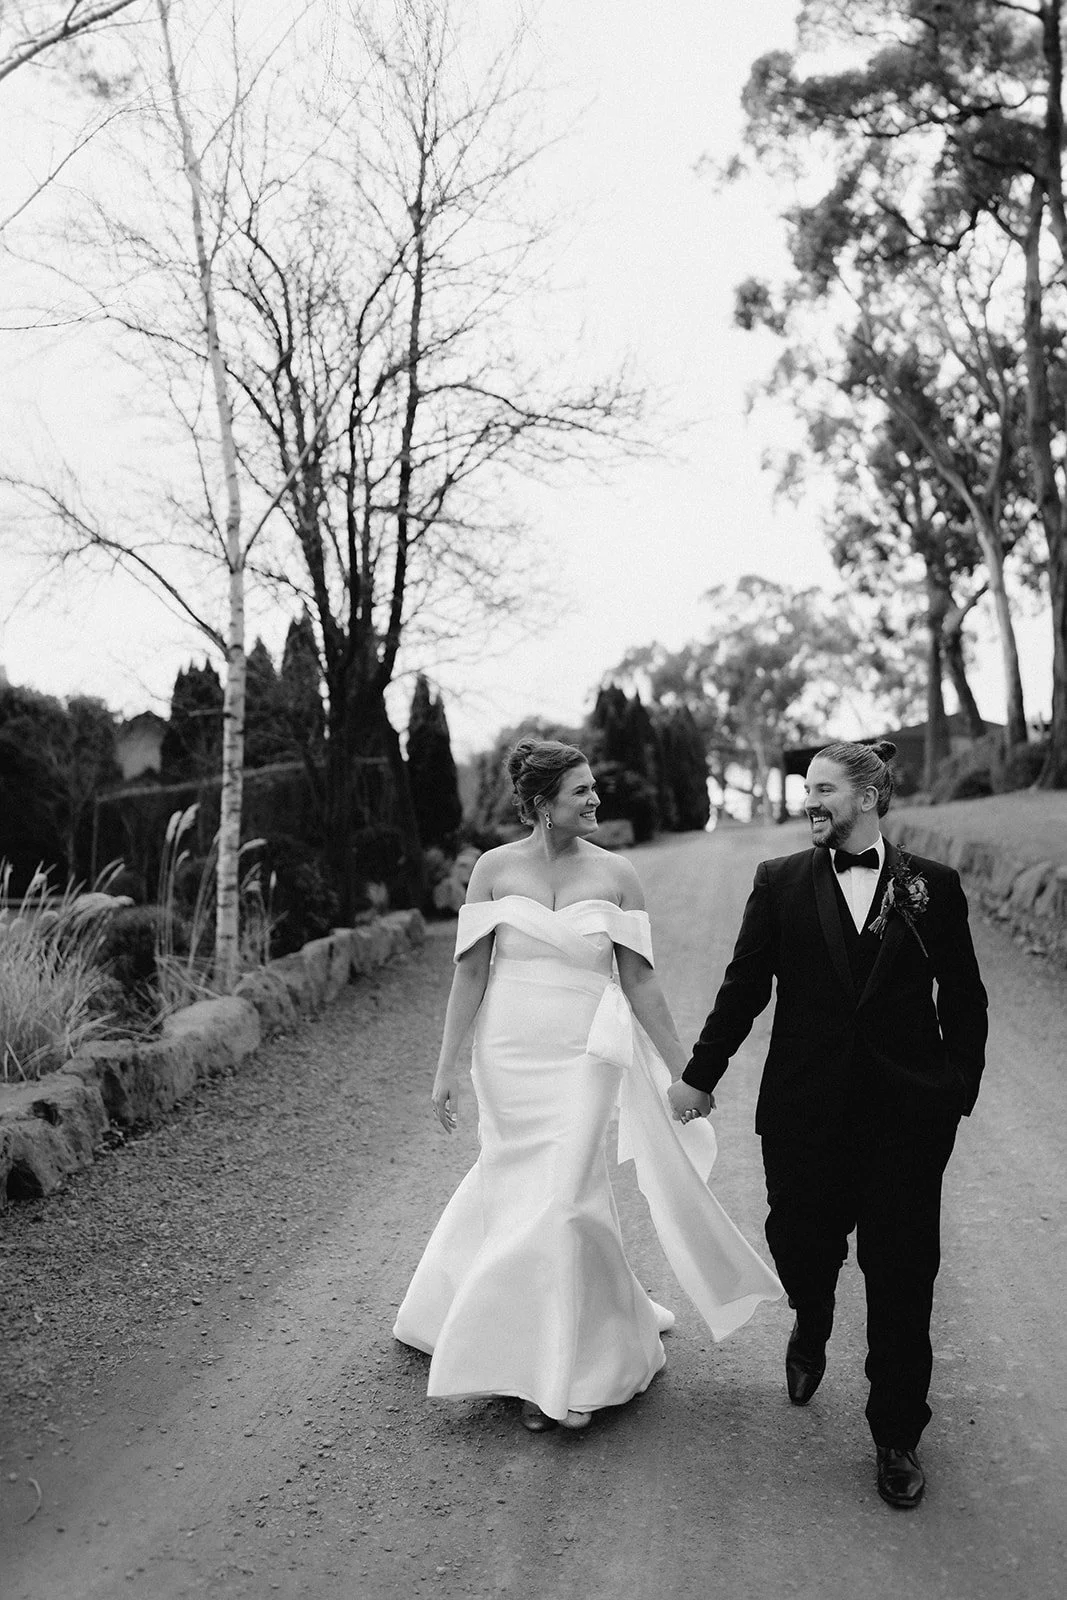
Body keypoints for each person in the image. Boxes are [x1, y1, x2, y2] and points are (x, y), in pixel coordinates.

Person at [394, 737, 781, 1433]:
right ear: (542, 805)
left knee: (565, 1198)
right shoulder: (491, 870)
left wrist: (688, 1070)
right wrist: (447, 1067)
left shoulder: (619, 876)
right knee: (518, 1188)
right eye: (581, 790)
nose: (597, 798)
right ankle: (518, 1346)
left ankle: (558, 1372)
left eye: (593, 786)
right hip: (508, 1050)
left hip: (584, 1054)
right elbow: (471, 972)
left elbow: (638, 979)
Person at [669, 740, 988, 1508]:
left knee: (903, 1276)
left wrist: (954, 1091)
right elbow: (743, 988)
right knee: (800, 1245)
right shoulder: (777, 883)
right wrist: (697, 1078)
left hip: (906, 1120)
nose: (807, 802)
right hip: (804, 1114)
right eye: (804, 790)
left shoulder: (931, 887)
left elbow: (965, 997)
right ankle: (810, 1318)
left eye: (822, 790)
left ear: (868, 797)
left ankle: (896, 1434)